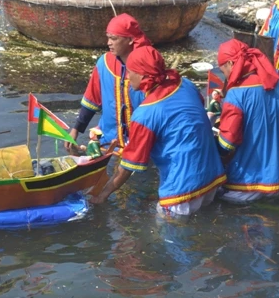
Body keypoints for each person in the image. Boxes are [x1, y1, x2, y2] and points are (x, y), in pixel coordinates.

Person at [89, 46, 226, 218]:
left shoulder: (146, 114)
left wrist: (103, 194)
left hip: (181, 189)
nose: (126, 77)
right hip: (213, 177)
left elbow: (130, 164)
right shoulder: (185, 84)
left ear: (143, 75)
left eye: (130, 72)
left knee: (167, 233)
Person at [216, 39, 279, 203]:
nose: (224, 75)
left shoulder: (236, 94)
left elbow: (227, 143)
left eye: (223, 70)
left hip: (246, 184)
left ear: (230, 63)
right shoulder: (277, 83)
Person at [65, 13, 151, 151]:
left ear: (130, 40)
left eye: (113, 38)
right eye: (108, 37)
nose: (108, 43)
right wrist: (76, 129)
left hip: (141, 145)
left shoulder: (147, 66)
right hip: (108, 141)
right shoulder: (104, 63)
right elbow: (92, 99)